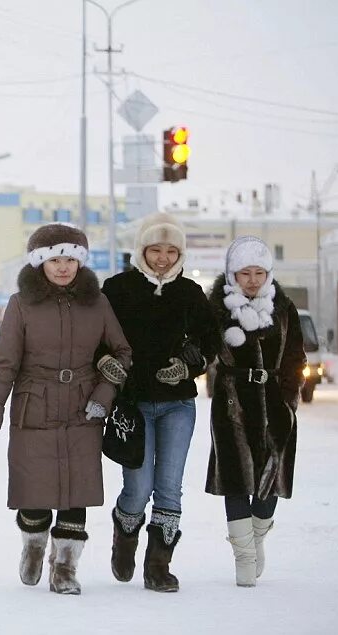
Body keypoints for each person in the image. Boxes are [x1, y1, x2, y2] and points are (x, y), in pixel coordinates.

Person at [0, 224, 132, 595]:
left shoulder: (98, 303)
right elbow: (5, 363)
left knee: (77, 490)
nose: (63, 267)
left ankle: (65, 567)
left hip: (84, 407)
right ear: (40, 263)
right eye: (55, 259)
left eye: (70, 259)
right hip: (35, 405)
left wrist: (104, 394)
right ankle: (33, 544)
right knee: (35, 490)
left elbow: (122, 353)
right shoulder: (21, 304)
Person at [101, 212, 220, 592]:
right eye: (156, 250)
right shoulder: (117, 289)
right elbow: (97, 337)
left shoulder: (190, 294)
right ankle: (125, 536)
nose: (164, 258)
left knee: (169, 486)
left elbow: (210, 341)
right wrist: (105, 363)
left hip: (177, 404)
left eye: (172, 251)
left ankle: (158, 566)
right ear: (142, 250)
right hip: (133, 403)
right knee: (138, 487)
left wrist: (189, 366)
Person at [207, 236, 305, 587]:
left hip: (276, 404)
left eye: (259, 272)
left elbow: (296, 357)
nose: (252, 279)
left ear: (268, 274)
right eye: (244, 273)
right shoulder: (216, 308)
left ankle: (257, 536)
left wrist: (290, 399)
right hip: (232, 404)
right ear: (233, 274)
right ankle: (243, 557)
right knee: (234, 479)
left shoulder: (284, 307)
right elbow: (203, 351)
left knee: (270, 482)